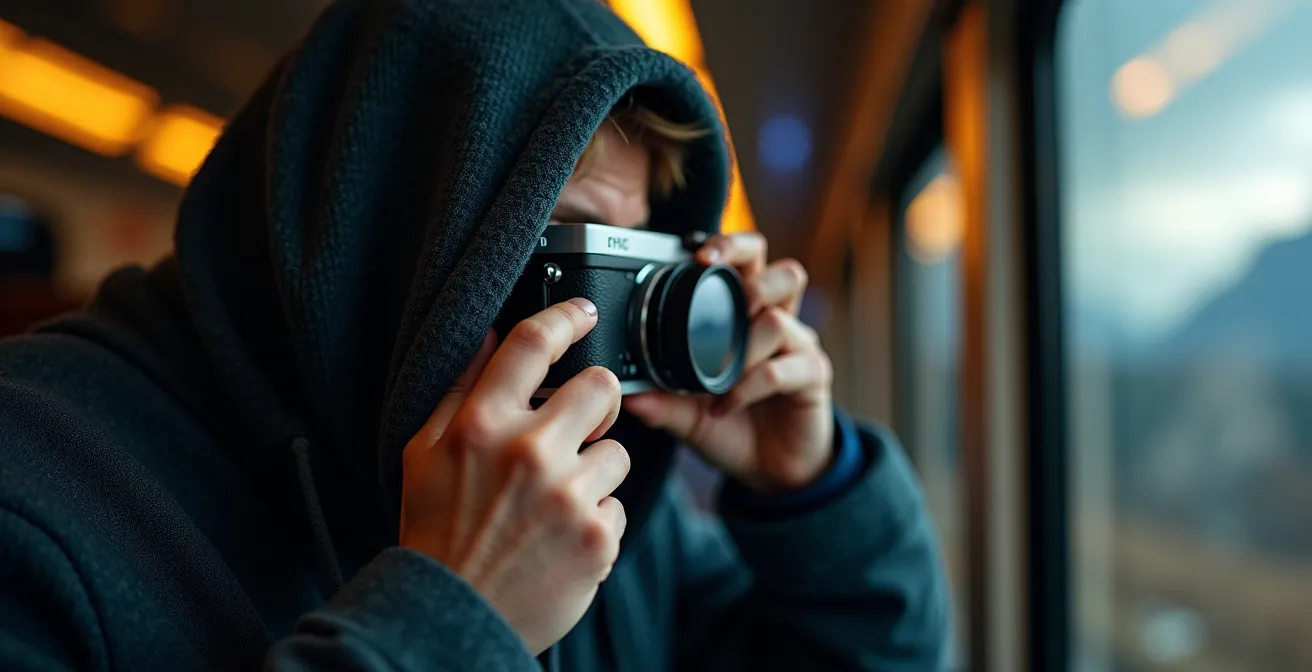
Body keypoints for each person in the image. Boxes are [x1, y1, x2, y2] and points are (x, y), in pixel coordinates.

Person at [0, 0, 950, 670]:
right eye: (573, 252)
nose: (617, 323)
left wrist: (812, 492)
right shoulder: (35, 494)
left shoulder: (594, 504)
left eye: (643, 268)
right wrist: (461, 613)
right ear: (387, 228)